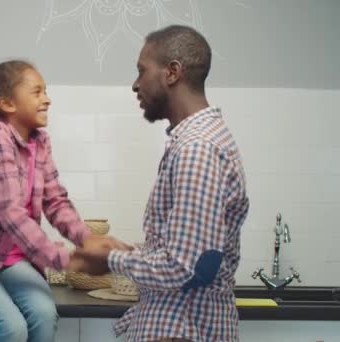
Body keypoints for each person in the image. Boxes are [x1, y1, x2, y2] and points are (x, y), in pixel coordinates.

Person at [68, 25, 250, 342]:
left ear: (172, 72)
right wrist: (128, 249)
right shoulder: (194, 142)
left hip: (184, 330)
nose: (135, 84)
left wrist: (110, 259)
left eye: (142, 71)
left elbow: (187, 268)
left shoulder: (198, 150)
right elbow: (187, 253)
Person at [0, 59, 128, 342]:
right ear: (8, 104)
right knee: (12, 329)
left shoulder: (40, 141)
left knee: (43, 315)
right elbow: (10, 213)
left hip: (13, 262)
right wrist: (69, 260)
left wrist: (86, 239)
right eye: (37, 92)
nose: (47, 99)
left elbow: (56, 201)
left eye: (45, 91)